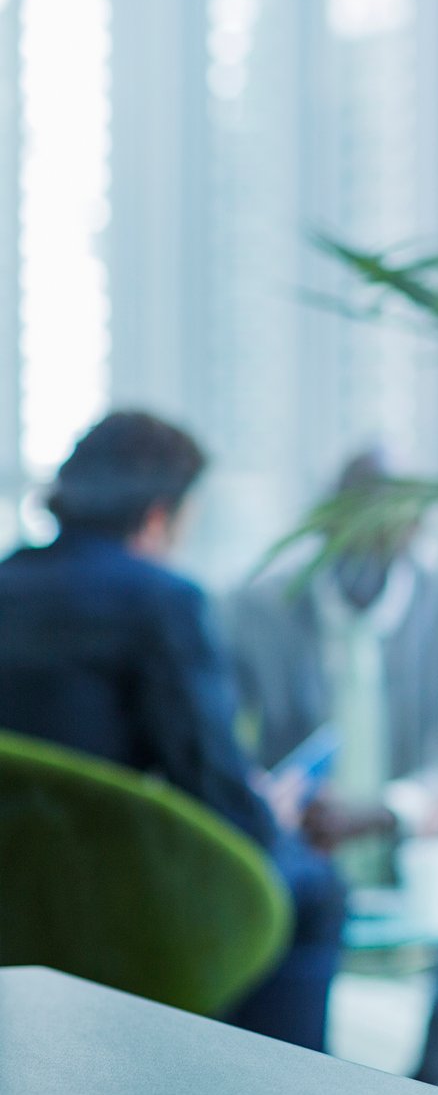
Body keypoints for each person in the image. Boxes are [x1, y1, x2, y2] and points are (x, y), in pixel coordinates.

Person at [0, 412, 346, 1049]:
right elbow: (215, 794)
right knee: (315, 886)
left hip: (14, 913)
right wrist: (266, 810)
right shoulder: (162, 600)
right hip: (116, 906)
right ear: (159, 516)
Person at [224, 449, 438, 1084]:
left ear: (412, 536)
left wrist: (390, 811)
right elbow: (219, 744)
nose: (365, 554)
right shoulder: (257, 609)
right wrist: (268, 796)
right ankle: (290, 1064)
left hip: (416, 836)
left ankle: (436, 1070)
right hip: (300, 834)